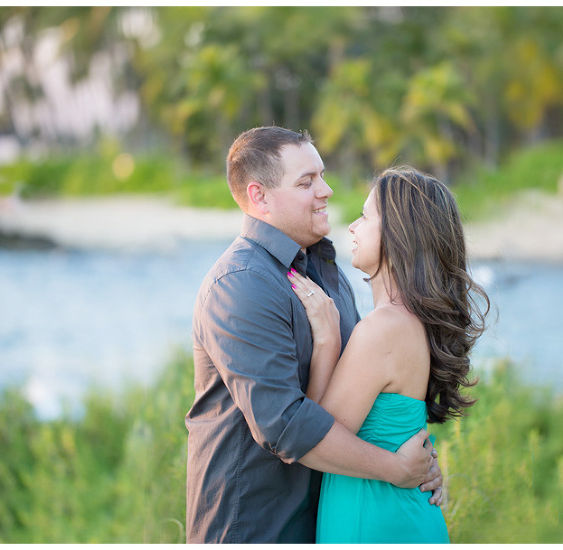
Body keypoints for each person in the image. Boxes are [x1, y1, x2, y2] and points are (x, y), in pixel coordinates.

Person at [186, 127, 443, 544]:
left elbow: (368, 393)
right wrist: (395, 468)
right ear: (259, 197)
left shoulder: (327, 270)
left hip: (329, 519)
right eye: (306, 182)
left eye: (321, 175)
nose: (325, 190)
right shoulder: (242, 284)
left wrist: (420, 461)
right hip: (257, 526)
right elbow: (285, 426)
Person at [287, 167, 490, 543]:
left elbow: (312, 439)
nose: (351, 227)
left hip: (375, 518)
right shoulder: (412, 321)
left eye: (365, 216)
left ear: (398, 235)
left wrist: (328, 340)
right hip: (395, 510)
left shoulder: (384, 329)